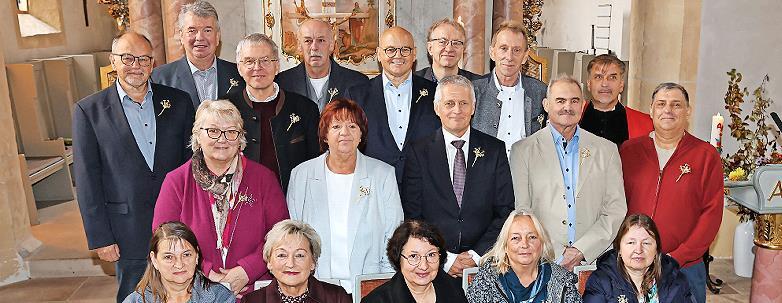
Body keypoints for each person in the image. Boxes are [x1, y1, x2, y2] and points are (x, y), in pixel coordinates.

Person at [72, 31, 195, 303]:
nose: (136, 65)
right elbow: (87, 179)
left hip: (178, 222)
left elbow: (191, 164)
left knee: (185, 295)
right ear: (113, 61)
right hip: (125, 228)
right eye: (127, 58)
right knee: (134, 296)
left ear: (153, 64)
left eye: (143, 59)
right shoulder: (89, 111)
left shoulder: (179, 102)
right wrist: (100, 236)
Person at [153, 99, 290, 298]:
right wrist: (207, 273)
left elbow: (281, 236)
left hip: (253, 290)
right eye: (213, 131)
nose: (222, 139)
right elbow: (164, 239)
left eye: (231, 132)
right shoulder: (176, 181)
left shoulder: (264, 178)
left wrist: (247, 270)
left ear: (240, 139)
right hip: (196, 290)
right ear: (198, 136)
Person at [619, 83, 723, 303]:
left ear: (687, 111)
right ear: (651, 110)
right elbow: (616, 203)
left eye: (676, 105)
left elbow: (711, 214)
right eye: (661, 104)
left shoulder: (705, 155)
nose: (668, 110)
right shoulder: (629, 151)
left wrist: (679, 257)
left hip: (684, 266)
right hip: (634, 263)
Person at [510, 74, 626, 271]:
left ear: (582, 105)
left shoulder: (606, 150)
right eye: (560, 100)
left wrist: (582, 249)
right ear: (546, 105)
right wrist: (557, 251)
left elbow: (615, 209)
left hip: (593, 262)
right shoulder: (523, 151)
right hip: (543, 259)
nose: (568, 107)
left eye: (574, 101)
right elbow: (523, 210)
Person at [287, 98, 404, 293]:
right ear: (324, 134)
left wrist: (382, 285)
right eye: (336, 126)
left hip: (368, 286)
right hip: (315, 286)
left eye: (352, 126)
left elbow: (394, 235)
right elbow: (293, 236)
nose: (344, 133)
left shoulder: (382, 174)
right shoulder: (302, 175)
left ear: (361, 134)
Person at [402, 75, 514, 278]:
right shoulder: (418, 152)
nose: (457, 110)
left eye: (463, 103)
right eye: (449, 103)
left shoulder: (495, 150)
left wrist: (476, 255)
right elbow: (413, 215)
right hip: (434, 267)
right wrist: (445, 258)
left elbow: (505, 210)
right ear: (437, 108)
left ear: (473, 107)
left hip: (485, 266)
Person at [225, 33, 320, 193]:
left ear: (277, 66)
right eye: (249, 61)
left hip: (291, 201)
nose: (257, 67)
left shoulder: (305, 108)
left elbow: (316, 163)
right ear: (239, 68)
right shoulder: (224, 108)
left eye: (265, 60)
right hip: (239, 202)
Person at [345, 26, 440, 184]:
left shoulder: (435, 93)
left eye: (405, 50)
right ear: (379, 54)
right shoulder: (356, 95)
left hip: (423, 190)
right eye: (390, 50)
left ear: (414, 53)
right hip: (373, 188)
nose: (398, 55)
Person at [466, 211, 581, 303]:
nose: (525, 244)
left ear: (541, 244)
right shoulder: (487, 280)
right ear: (505, 246)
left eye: (532, 237)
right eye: (516, 238)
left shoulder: (562, 281)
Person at [472, 21, 547, 156]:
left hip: (525, 172)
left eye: (516, 50)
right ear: (492, 52)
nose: (509, 57)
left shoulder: (540, 92)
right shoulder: (474, 91)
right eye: (503, 48)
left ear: (525, 56)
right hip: (486, 172)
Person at [584, 214, 695, 303]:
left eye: (646, 243)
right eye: (631, 242)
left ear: (656, 249)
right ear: (619, 249)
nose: (638, 250)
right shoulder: (601, 282)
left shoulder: (675, 279)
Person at [152, 1, 244, 108]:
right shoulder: (159, 78)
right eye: (192, 30)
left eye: (207, 30)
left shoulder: (240, 74)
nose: (200, 37)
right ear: (181, 36)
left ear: (218, 37)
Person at [241, 219, 352, 303]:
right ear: (269, 262)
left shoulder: (337, 298)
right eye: (282, 255)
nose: (291, 264)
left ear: (313, 262)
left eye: (299, 255)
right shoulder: (252, 301)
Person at [123, 221, 235, 303]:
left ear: (196, 256)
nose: (179, 264)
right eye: (168, 257)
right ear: (154, 260)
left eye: (186, 255)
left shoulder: (221, 298)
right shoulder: (134, 301)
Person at [362, 220, 468, 303]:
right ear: (399, 258)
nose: (424, 266)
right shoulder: (378, 300)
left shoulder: (453, 289)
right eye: (413, 256)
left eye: (431, 255)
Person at [276, 18, 369, 111]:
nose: (314, 47)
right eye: (308, 41)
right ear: (300, 46)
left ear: (332, 45)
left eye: (321, 40)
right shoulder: (282, 83)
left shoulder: (357, 83)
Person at [579, 54, 653, 146]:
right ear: (589, 84)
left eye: (612, 77)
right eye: (598, 77)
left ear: (621, 85)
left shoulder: (646, 124)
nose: (605, 84)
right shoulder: (572, 118)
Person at [415, 18, 481, 83]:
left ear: (463, 49)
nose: (449, 49)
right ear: (430, 48)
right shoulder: (413, 83)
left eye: (456, 43)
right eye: (442, 42)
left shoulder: (477, 84)